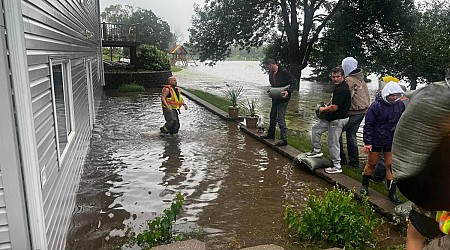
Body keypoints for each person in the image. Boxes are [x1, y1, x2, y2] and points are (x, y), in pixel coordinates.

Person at [360, 81, 405, 205]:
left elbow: (402, 123)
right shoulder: (376, 106)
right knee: (371, 163)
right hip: (376, 140)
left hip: (390, 140)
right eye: (392, 95)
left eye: (396, 95)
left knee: (390, 166)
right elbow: (368, 125)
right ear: (386, 94)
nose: (394, 97)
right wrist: (368, 142)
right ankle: (364, 186)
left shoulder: (400, 105)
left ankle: (392, 194)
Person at [306, 67, 351, 174]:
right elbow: (333, 101)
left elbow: (334, 107)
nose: (335, 79)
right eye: (333, 77)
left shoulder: (342, 89)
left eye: (338, 77)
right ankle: (317, 150)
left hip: (338, 119)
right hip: (331, 117)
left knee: (333, 142)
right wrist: (328, 103)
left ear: (343, 77)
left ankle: (337, 165)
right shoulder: (338, 87)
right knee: (316, 129)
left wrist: (322, 109)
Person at [339, 57, 370, 168]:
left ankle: (341, 159)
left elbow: (345, 98)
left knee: (337, 131)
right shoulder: (360, 79)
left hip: (354, 112)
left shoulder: (349, 80)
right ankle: (354, 162)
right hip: (362, 112)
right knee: (351, 135)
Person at [261, 59, 298, 146]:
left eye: (268, 66)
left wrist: (288, 91)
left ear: (271, 65)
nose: (268, 68)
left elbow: (294, 82)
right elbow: (273, 86)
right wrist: (271, 91)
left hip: (284, 98)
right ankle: (271, 134)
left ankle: (284, 139)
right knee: (272, 115)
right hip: (275, 97)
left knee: (280, 117)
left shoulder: (284, 72)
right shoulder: (271, 75)